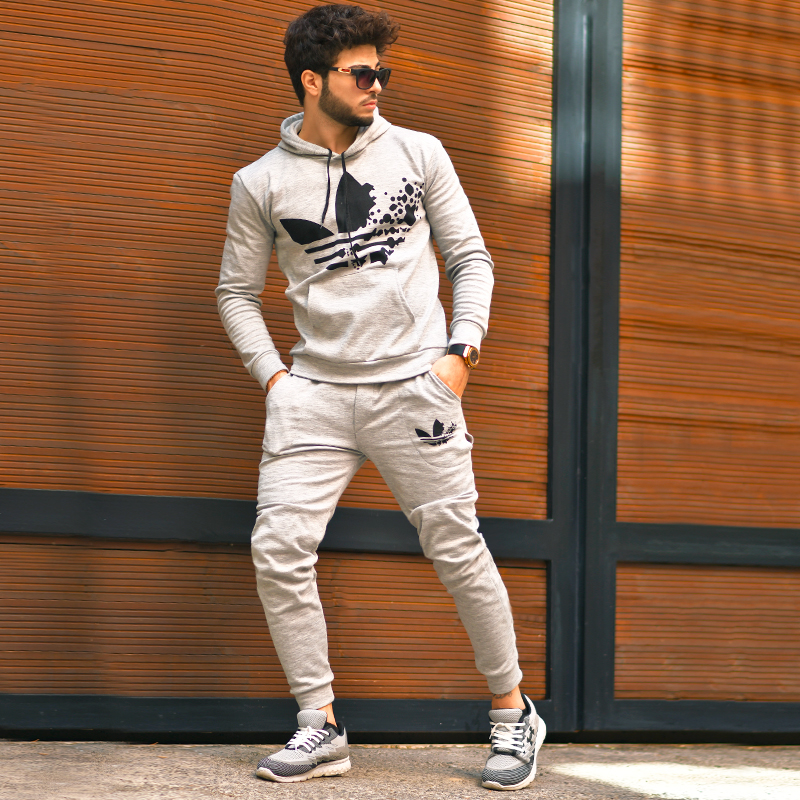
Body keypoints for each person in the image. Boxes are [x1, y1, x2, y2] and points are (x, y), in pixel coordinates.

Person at [216, 3, 545, 791]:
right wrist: (276, 380)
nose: (377, 85)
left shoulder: (418, 153)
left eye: (382, 72)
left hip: (415, 388)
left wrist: (460, 355)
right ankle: (320, 723)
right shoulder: (259, 182)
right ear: (312, 80)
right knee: (278, 550)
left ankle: (513, 714)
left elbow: (471, 258)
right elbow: (234, 293)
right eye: (362, 73)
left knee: (457, 548)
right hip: (314, 397)